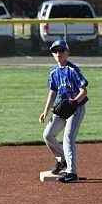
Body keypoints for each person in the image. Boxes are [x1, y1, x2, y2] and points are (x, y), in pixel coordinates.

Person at [39, 39, 89, 183]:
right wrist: (45, 111)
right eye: (55, 51)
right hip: (61, 109)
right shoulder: (54, 72)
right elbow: (52, 92)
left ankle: (72, 173)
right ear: (52, 54)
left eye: (61, 50)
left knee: (68, 138)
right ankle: (63, 161)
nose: (58, 53)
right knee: (48, 135)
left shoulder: (72, 70)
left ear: (67, 52)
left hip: (76, 108)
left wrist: (74, 102)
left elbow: (83, 91)